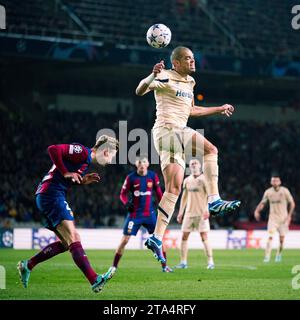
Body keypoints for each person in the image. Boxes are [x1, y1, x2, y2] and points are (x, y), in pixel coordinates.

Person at [135, 46, 240, 262]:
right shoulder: (164, 76)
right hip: (168, 131)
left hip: (172, 138)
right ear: (176, 63)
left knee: (173, 189)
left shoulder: (191, 83)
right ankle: (213, 199)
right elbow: (139, 90)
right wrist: (152, 75)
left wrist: (219, 108)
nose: (193, 62)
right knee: (211, 150)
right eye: (188, 59)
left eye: (193, 58)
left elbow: (192, 110)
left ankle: (156, 237)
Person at [17, 135, 119, 293]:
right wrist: (65, 173)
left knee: (67, 243)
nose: (111, 161)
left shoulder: (85, 162)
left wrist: (81, 180)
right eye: (113, 156)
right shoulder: (83, 152)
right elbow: (53, 149)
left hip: (50, 195)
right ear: (106, 151)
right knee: (73, 238)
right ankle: (94, 279)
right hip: (51, 194)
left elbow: (66, 175)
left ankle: (28, 265)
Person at [105, 156, 173, 279]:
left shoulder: (152, 176)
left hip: (149, 214)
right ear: (137, 165)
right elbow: (122, 194)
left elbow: (158, 193)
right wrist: (126, 203)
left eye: (144, 162)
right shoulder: (131, 178)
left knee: (159, 240)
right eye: (140, 162)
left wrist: (163, 206)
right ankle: (114, 266)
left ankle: (165, 266)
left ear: (147, 164)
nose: (142, 164)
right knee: (124, 240)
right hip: (134, 215)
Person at [175, 159, 214, 269]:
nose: (193, 165)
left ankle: (210, 261)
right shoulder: (187, 180)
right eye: (191, 163)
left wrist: (207, 209)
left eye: (195, 163)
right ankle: (183, 262)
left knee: (204, 236)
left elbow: (210, 195)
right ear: (189, 166)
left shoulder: (205, 179)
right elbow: (184, 197)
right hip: (189, 213)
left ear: (200, 166)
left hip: (202, 213)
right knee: (184, 236)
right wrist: (180, 212)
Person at [254, 174, 295, 262]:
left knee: (281, 240)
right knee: (270, 237)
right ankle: (267, 256)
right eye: (273, 181)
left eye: (276, 181)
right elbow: (262, 203)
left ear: (280, 182)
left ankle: (278, 254)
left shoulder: (285, 191)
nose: (275, 182)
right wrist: (257, 211)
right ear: (271, 182)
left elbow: (292, 203)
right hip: (273, 219)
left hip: (283, 219)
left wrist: (289, 216)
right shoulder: (268, 192)